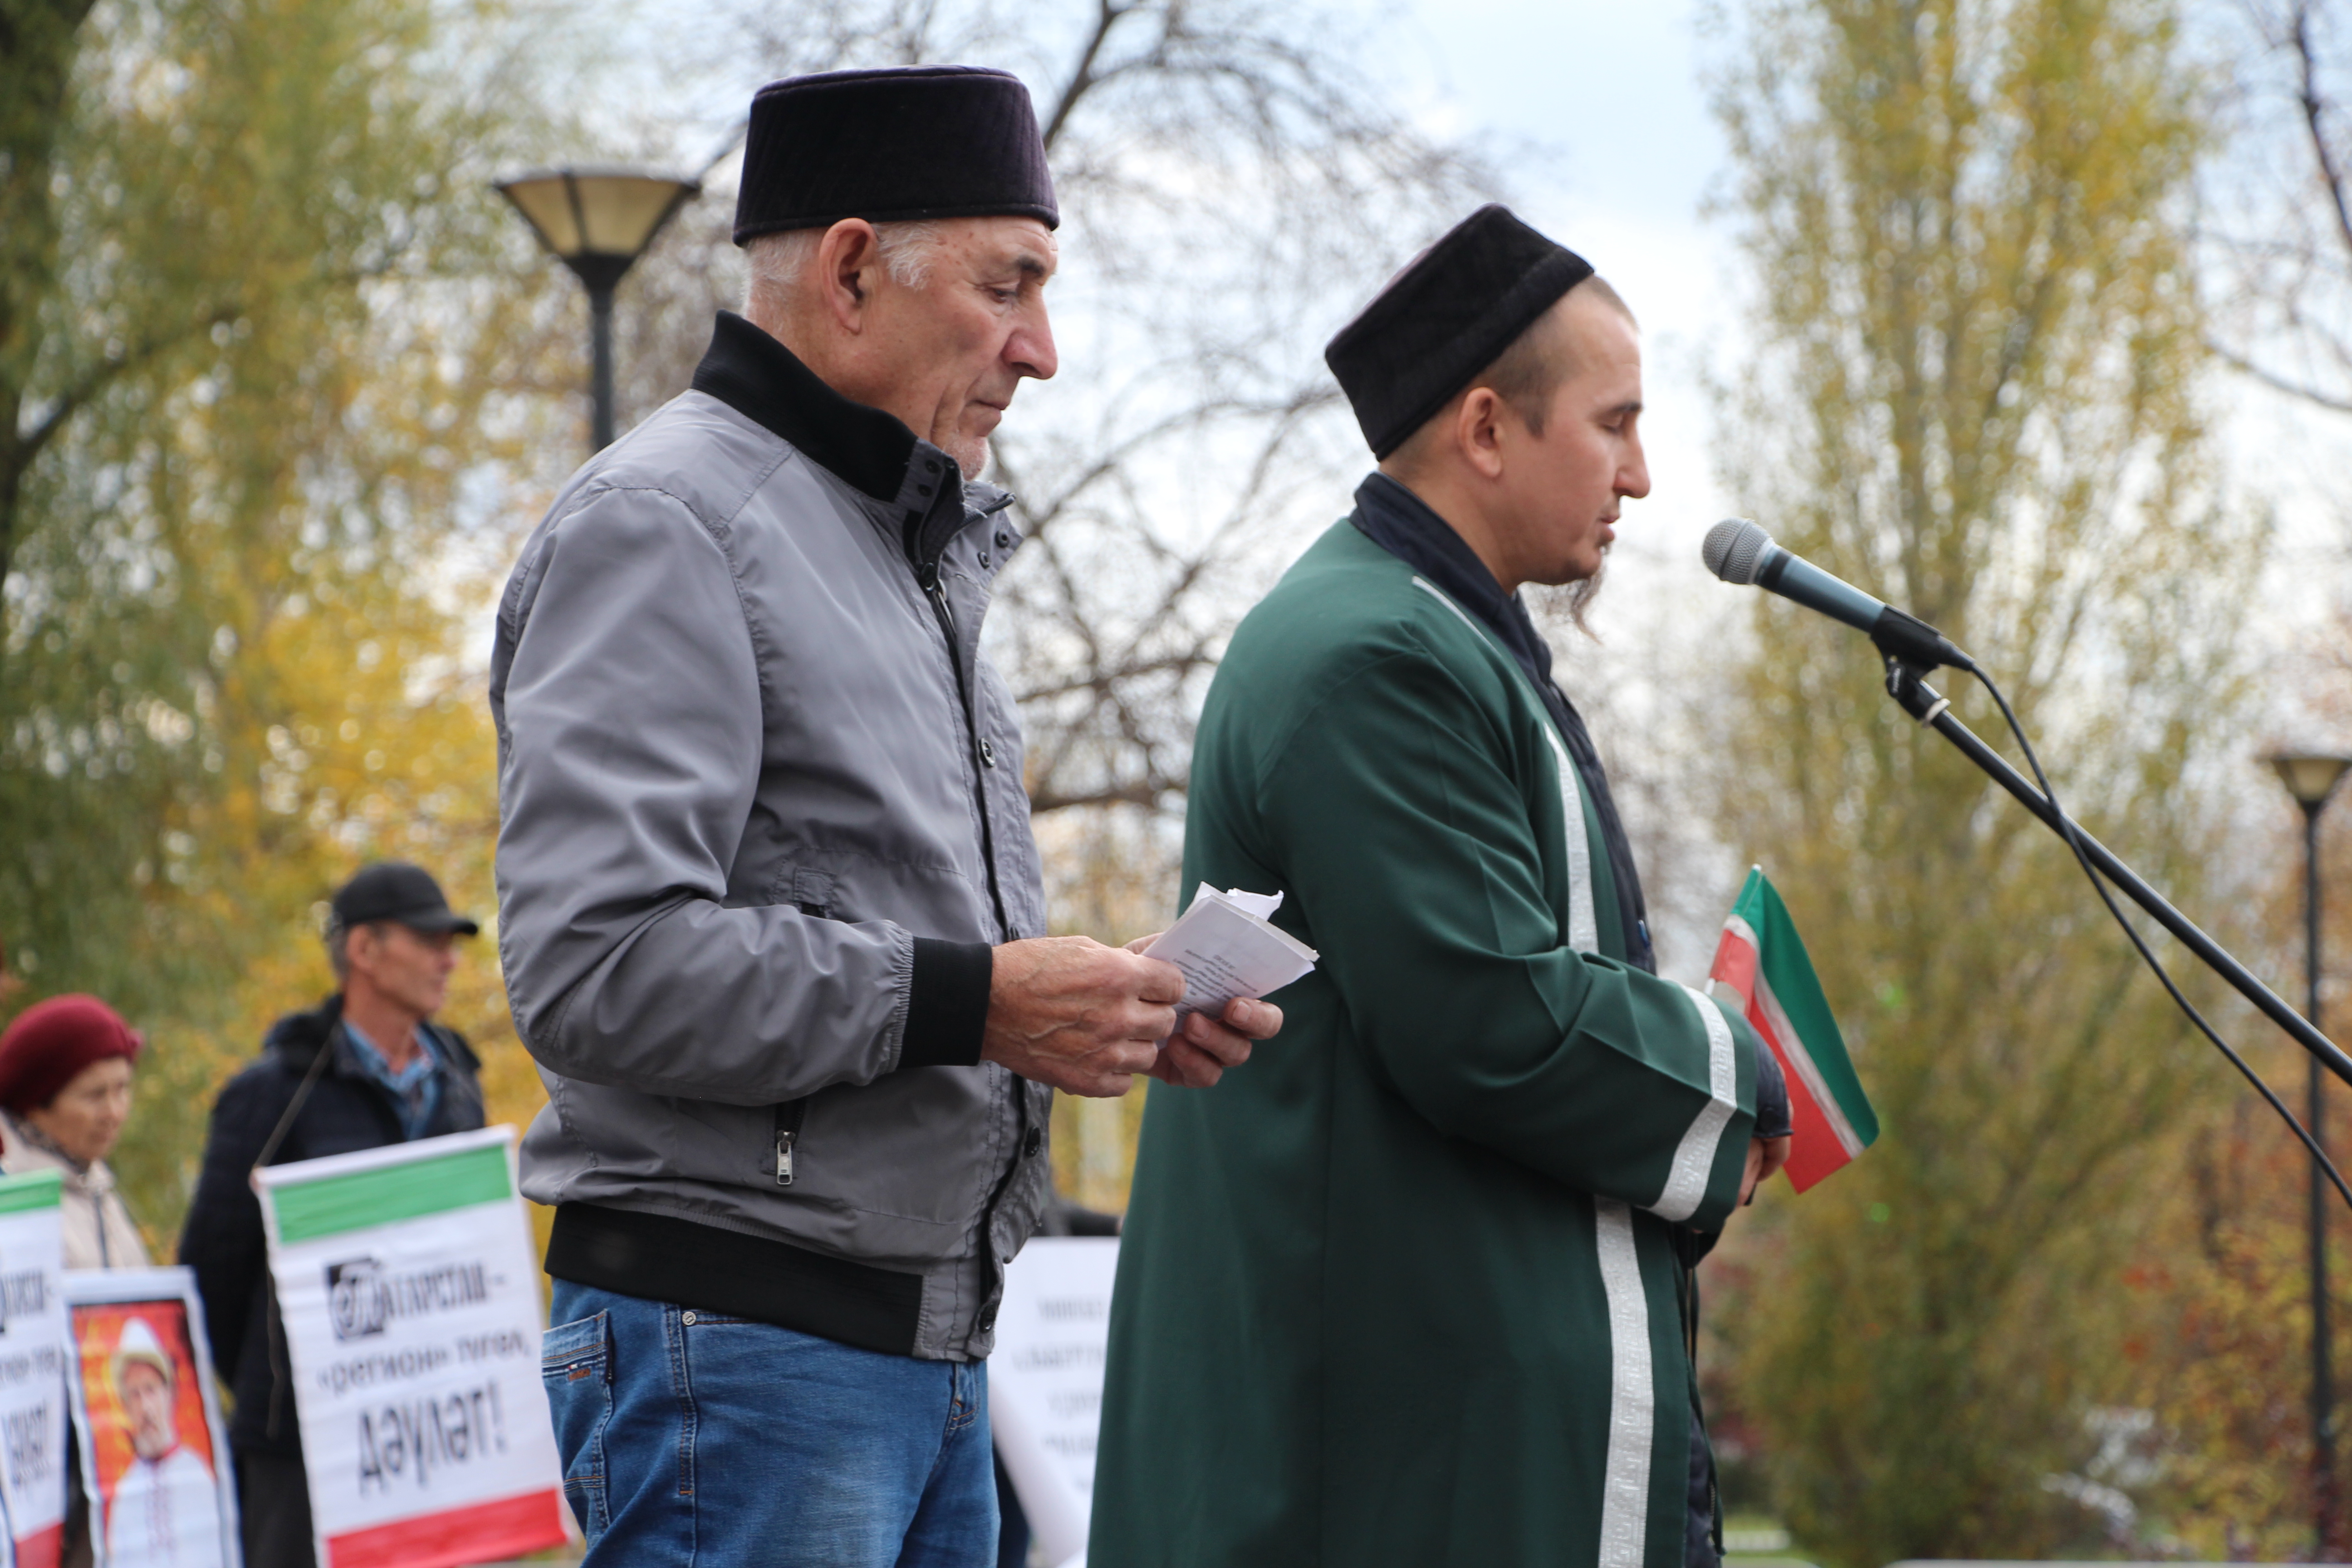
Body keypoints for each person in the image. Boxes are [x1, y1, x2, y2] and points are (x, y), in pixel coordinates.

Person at [490, 65, 1279, 1568]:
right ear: (853, 271)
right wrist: (984, 1000)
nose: (1041, 350)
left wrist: (1088, 1008)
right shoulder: (668, 522)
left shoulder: (895, 544)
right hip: (743, 1351)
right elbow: (598, 966)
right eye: (1008, 285)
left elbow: (890, 950)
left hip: (902, 1356)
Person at [1088, 205, 1795, 1568]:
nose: (1641, 476)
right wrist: (1736, 1067)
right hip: (1364, 1450)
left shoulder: (1427, 633)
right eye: (1612, 423)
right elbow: (1490, 1015)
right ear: (1484, 428)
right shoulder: (1377, 655)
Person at [178, 861, 485, 1568]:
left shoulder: (460, 1086)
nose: (449, 959)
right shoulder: (272, 1092)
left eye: (452, 943)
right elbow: (211, 1273)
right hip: (298, 1453)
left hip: (437, 1439)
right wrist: (282, 1385)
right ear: (364, 950)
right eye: (429, 940)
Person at [0, 994, 148, 1269]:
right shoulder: (13, 1206)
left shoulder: (98, 1189)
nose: (114, 1113)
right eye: (94, 1095)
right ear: (36, 1106)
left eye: (122, 1089)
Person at [103, 1318, 225, 1568]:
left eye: (150, 1390)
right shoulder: (126, 1493)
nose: (146, 1407)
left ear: (168, 1393)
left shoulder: (196, 1474)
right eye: (135, 1395)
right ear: (127, 1407)